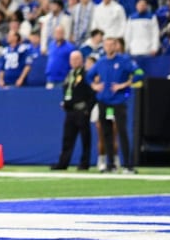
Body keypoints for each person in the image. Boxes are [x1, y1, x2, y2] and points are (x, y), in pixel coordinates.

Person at [86, 37, 139, 174]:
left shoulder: (124, 61)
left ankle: (128, 164)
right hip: (104, 101)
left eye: (111, 45)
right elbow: (88, 76)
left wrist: (125, 84)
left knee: (122, 132)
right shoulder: (101, 62)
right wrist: (95, 86)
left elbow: (139, 73)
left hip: (118, 101)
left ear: (116, 46)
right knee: (106, 133)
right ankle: (111, 164)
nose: (109, 47)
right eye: (106, 45)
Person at [50, 51, 94, 171]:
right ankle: (63, 163)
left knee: (85, 138)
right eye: (72, 59)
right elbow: (68, 90)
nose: (74, 62)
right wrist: (65, 102)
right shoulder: (69, 74)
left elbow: (92, 93)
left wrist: (88, 109)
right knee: (67, 138)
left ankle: (84, 163)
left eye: (77, 59)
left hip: (81, 110)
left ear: (82, 60)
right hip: (70, 111)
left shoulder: (86, 75)